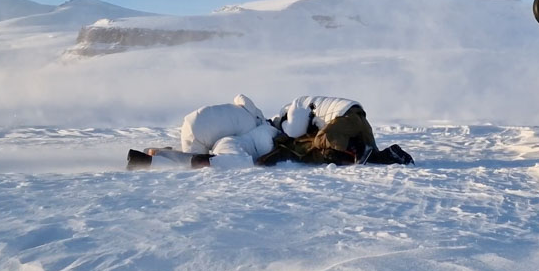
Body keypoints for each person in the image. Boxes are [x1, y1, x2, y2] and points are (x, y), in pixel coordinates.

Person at [126, 94, 413, 169]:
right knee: (330, 145)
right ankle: (154, 157)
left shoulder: (256, 129)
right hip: (352, 116)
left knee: (325, 144)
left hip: (344, 118)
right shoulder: (241, 133)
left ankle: (156, 157)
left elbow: (294, 129)